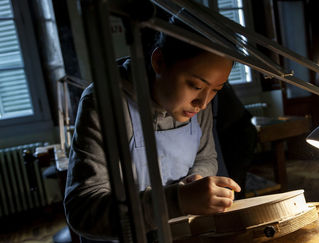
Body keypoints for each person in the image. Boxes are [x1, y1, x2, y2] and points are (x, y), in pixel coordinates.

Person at [64, 18, 241, 242]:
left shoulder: (196, 104)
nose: (203, 103)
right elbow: (82, 210)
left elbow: (205, 156)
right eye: (195, 86)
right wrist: (178, 200)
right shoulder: (106, 102)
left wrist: (199, 179)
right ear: (159, 62)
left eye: (215, 89)